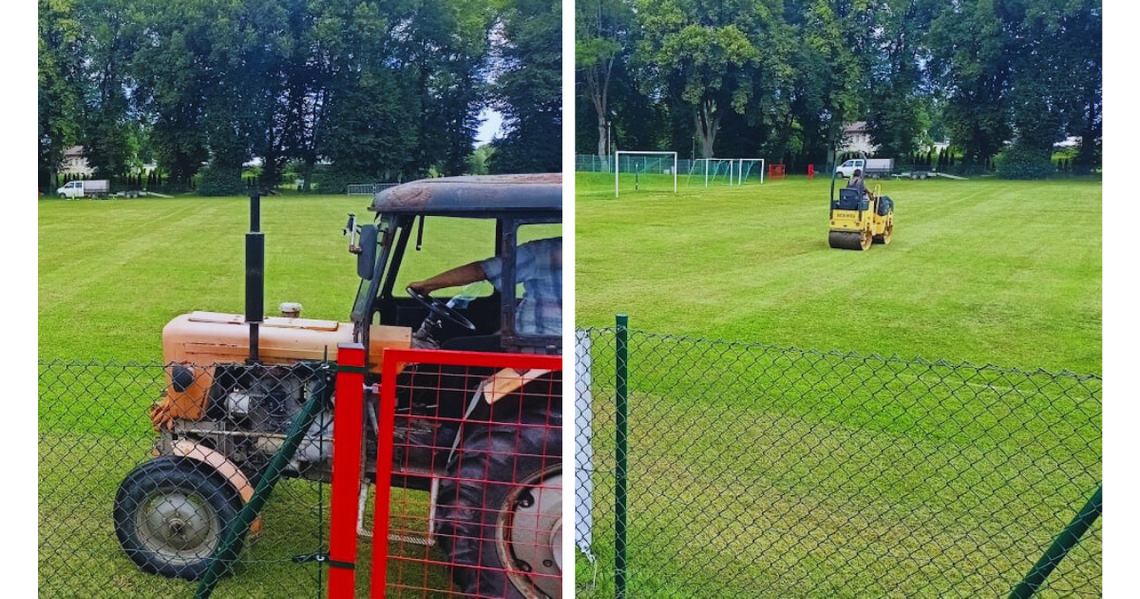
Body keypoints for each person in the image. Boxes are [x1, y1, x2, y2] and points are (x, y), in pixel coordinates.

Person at [408, 236, 562, 338]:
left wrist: (426, 285)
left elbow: (480, 271)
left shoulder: (546, 252)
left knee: (456, 348)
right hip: (548, 343)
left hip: (534, 346)